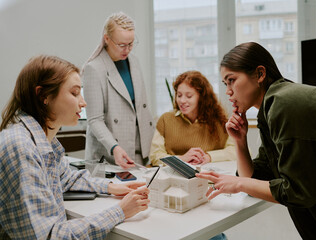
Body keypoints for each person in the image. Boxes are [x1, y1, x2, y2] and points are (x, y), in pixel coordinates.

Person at [196, 42, 316, 239]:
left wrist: (238, 183)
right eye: (225, 84)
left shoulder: (285, 103)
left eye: (232, 80)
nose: (228, 91)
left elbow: (298, 193)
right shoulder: (269, 111)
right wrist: (240, 142)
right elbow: (257, 179)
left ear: (260, 74)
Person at [0, 55, 150, 239]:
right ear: (43, 96)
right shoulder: (21, 147)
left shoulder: (43, 140)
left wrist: (112, 187)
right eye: (74, 93)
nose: (83, 102)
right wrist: (120, 211)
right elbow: (48, 236)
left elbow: (67, 178)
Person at [82, 12, 154, 169]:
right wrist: (114, 147)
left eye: (131, 44)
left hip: (139, 150)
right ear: (106, 39)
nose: (127, 49)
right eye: (122, 45)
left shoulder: (134, 61)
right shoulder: (94, 68)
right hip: (109, 156)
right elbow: (94, 120)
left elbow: (140, 108)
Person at [150, 70, 236, 166]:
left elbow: (236, 151)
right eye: (179, 95)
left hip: (208, 177)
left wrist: (209, 157)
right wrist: (182, 159)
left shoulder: (220, 121)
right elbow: (155, 155)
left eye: (189, 96)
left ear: (201, 97)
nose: (182, 100)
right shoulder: (165, 120)